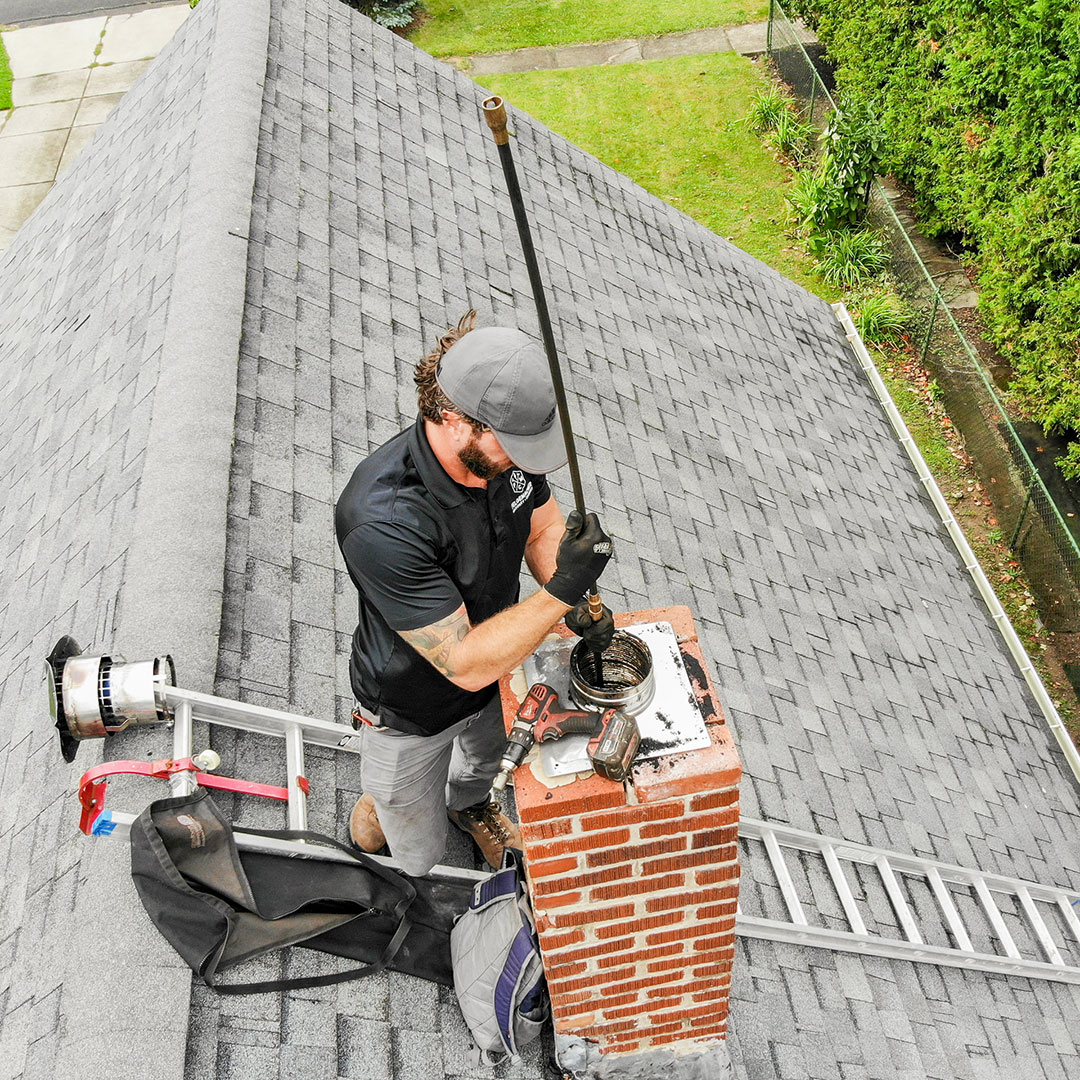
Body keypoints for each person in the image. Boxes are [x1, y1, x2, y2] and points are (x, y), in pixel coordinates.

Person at [335, 311, 615, 876]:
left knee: (480, 768)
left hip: (499, 674)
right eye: (514, 444)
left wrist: (573, 585)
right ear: (453, 417)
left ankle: (468, 806)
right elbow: (461, 663)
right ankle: (383, 810)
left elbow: (539, 527)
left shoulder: (499, 458)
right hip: (414, 708)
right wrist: (564, 589)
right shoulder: (383, 519)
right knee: (416, 853)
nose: (524, 459)